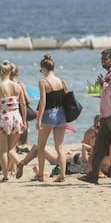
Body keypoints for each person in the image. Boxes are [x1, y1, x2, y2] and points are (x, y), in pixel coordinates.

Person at [81, 49, 111, 185]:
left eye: (105, 59)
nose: (102, 61)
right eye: (102, 59)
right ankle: (92, 175)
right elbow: (106, 93)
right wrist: (96, 89)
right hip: (106, 115)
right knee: (99, 147)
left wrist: (103, 84)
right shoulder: (109, 74)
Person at [32, 54, 67, 183]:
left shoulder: (43, 81)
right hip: (61, 114)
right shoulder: (61, 80)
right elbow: (66, 96)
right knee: (60, 147)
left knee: (41, 147)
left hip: (49, 114)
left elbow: (43, 102)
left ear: (43, 68)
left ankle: (41, 175)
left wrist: (38, 119)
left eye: (41, 70)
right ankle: (62, 175)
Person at [10, 63, 32, 146]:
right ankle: (25, 146)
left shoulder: (5, 85)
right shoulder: (20, 85)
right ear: (17, 73)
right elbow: (28, 100)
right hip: (21, 113)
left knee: (11, 139)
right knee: (24, 133)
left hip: (10, 112)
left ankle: (15, 147)